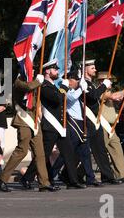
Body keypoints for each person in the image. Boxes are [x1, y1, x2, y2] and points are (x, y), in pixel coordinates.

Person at [0, 71, 58, 192]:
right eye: (30, 69)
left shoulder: (34, 82)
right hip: (23, 119)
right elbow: (28, 87)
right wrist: (39, 81)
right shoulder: (19, 82)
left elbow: (36, 101)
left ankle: (44, 183)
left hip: (34, 121)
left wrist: (40, 117)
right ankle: (2, 178)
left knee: (40, 153)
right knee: (22, 150)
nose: (33, 71)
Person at [28, 59, 85, 189]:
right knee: (43, 155)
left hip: (60, 126)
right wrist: (64, 87)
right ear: (47, 71)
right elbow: (56, 99)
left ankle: (72, 181)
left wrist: (63, 88)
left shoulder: (53, 86)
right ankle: (27, 177)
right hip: (50, 126)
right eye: (55, 69)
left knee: (69, 153)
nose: (57, 71)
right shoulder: (44, 87)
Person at [80, 60, 120, 185]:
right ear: (85, 69)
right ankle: (68, 174)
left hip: (95, 120)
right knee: (81, 151)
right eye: (92, 68)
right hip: (87, 119)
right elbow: (93, 96)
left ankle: (108, 176)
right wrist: (103, 86)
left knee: (100, 149)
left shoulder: (90, 83)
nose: (95, 70)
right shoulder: (83, 83)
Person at [65, 70, 103, 187]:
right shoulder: (66, 91)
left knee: (85, 152)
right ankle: (53, 175)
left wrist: (82, 88)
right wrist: (81, 88)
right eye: (76, 80)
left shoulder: (75, 90)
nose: (77, 82)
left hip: (81, 123)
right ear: (70, 81)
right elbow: (72, 98)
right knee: (66, 155)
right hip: (73, 124)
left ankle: (90, 178)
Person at [97, 71, 124, 183]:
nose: (111, 83)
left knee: (116, 148)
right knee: (98, 152)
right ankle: (78, 173)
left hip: (110, 127)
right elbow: (113, 96)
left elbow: (115, 97)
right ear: (101, 81)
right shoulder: (98, 91)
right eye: (109, 80)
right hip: (101, 126)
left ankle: (122, 175)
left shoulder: (109, 91)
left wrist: (123, 96)